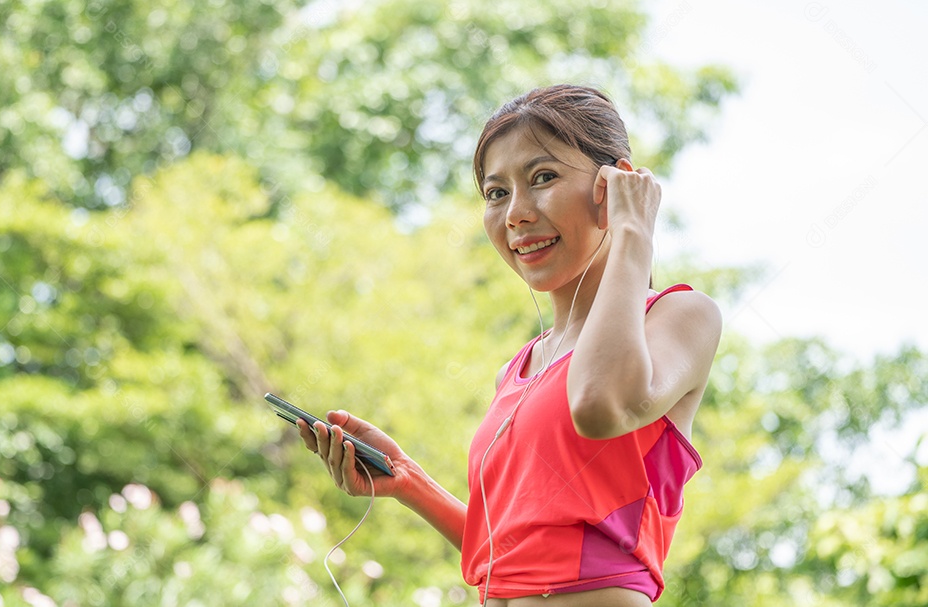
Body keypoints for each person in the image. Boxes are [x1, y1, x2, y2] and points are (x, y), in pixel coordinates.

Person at [296, 84, 722, 606]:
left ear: (615, 185)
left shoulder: (679, 316)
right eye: (497, 193)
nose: (516, 213)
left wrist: (636, 230)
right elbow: (509, 553)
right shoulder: (517, 370)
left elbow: (600, 405)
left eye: (542, 178)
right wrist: (409, 481)